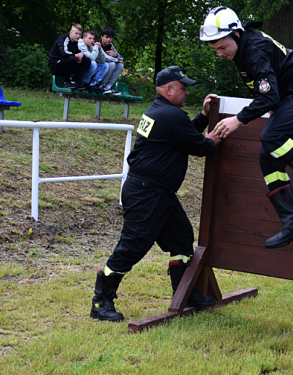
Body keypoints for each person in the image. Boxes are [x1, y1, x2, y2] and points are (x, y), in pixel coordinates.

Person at [90, 66, 222, 322]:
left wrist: (204, 116)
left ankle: (184, 294)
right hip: (146, 193)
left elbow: (184, 135)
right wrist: (216, 137)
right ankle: (100, 302)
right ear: (168, 89)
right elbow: (201, 146)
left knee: (182, 238)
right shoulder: (170, 115)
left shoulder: (163, 112)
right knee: (132, 246)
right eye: (182, 87)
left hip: (157, 192)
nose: (186, 91)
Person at [199, 6, 293, 250]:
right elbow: (267, 90)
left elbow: (268, 96)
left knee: (272, 136)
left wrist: (237, 119)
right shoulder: (241, 51)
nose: (219, 53)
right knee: (268, 156)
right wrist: (274, 104)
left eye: (222, 47)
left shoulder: (253, 48)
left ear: (237, 34)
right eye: (215, 50)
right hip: (292, 96)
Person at [47, 24, 91, 88]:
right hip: (55, 65)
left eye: (80, 34)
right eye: (76, 33)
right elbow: (64, 53)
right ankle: (66, 82)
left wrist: (81, 55)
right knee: (71, 58)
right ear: (71, 32)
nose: (78, 36)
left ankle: (74, 81)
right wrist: (75, 55)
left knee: (87, 61)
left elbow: (78, 52)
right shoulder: (63, 39)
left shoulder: (75, 42)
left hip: (66, 65)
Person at [97, 26, 125, 95]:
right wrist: (118, 59)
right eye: (106, 37)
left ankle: (108, 87)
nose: (108, 39)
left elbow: (120, 57)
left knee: (120, 65)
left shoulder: (111, 46)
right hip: (99, 68)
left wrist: (115, 55)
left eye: (110, 37)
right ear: (102, 37)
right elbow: (105, 58)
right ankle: (102, 86)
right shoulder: (98, 45)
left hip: (107, 67)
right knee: (112, 64)